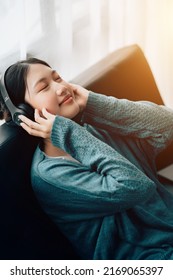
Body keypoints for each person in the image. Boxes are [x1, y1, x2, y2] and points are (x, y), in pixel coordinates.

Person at [1, 57, 173, 260]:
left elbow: (166, 126)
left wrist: (93, 103)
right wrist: (66, 133)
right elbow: (135, 187)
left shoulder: (94, 128)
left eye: (58, 78)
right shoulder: (50, 176)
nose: (61, 87)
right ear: (25, 114)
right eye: (44, 87)